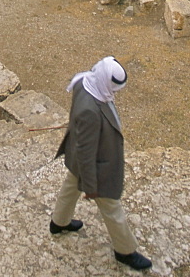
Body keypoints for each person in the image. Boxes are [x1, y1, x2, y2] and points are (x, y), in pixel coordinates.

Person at [49, 55, 152, 271]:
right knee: (112, 208)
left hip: (76, 155)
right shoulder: (90, 111)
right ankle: (125, 251)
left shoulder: (84, 81)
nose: (114, 93)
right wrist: (91, 186)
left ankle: (59, 222)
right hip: (96, 165)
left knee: (69, 187)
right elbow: (87, 152)